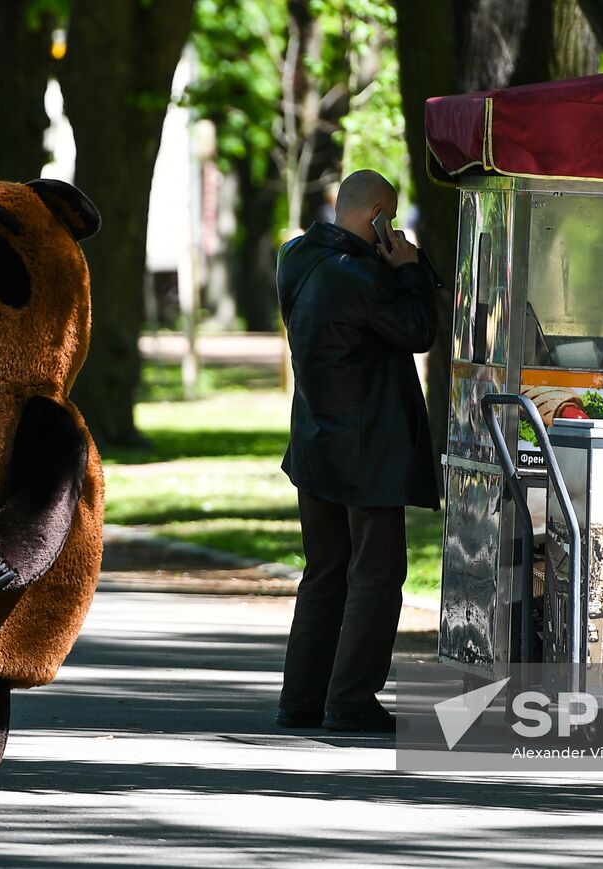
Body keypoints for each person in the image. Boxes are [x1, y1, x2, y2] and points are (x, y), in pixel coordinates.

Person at [275, 169, 439, 733]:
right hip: (367, 450)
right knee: (376, 575)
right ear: (378, 217)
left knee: (324, 573)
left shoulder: (296, 257)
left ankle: (301, 699)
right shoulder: (360, 276)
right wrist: (409, 269)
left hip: (315, 440)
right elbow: (418, 330)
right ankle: (350, 700)